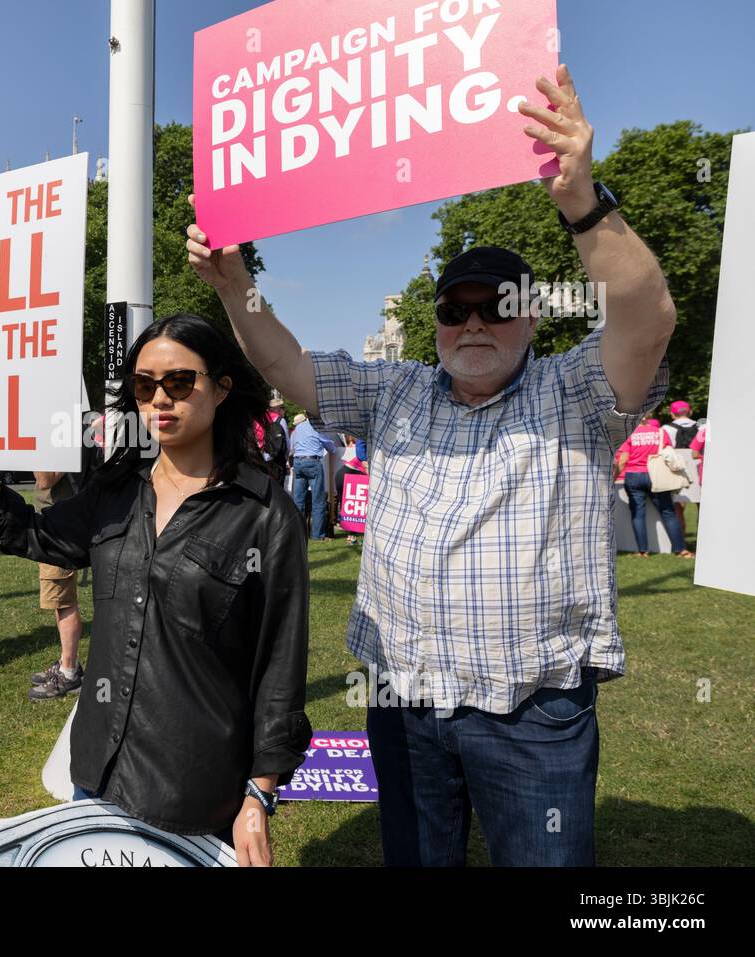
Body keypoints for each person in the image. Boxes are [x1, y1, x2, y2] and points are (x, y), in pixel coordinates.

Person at [186, 64, 677, 866]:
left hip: (530, 715)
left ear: (530, 316)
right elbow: (287, 366)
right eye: (457, 309)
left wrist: (583, 202)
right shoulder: (396, 390)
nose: (475, 321)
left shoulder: (576, 389)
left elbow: (648, 318)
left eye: (498, 305)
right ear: (439, 322)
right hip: (404, 703)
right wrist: (236, 283)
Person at [0, 313, 311, 867]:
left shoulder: (266, 515)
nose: (160, 398)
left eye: (179, 382)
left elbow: (281, 663)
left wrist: (260, 792)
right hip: (98, 774)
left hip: (195, 789)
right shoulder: (116, 494)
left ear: (222, 388)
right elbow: (32, 533)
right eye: (144, 384)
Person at [27, 469, 86, 700]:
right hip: (56, 522)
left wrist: (34, 445)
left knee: (63, 601)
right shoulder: (67, 433)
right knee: (59, 601)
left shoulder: (66, 434)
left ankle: (69, 673)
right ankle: (67, 661)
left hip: (60, 527)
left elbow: (45, 479)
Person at [615, 418, 692, 557]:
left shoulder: (628, 433)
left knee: (638, 514)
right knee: (668, 512)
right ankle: (681, 550)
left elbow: (623, 460)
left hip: (633, 476)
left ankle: (643, 551)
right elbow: (668, 453)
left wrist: (613, 479)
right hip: (656, 475)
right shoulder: (660, 432)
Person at [288, 414, 334, 540]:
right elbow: (330, 446)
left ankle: (297, 534)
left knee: (298, 501)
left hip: (298, 462)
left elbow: (291, 447)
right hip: (312, 462)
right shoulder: (317, 427)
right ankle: (317, 535)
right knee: (318, 501)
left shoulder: (297, 429)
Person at [662, 400, 699, 536]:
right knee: (702, 506)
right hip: (699, 468)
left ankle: (680, 538)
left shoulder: (666, 428)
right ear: (690, 412)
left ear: (672, 414)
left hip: (678, 469)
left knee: (677, 505)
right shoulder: (702, 427)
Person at [340, 434, 369, 545]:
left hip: (342, 474)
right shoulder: (364, 458)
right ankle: (351, 536)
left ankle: (351, 536)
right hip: (349, 474)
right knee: (357, 504)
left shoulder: (360, 454)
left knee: (352, 505)